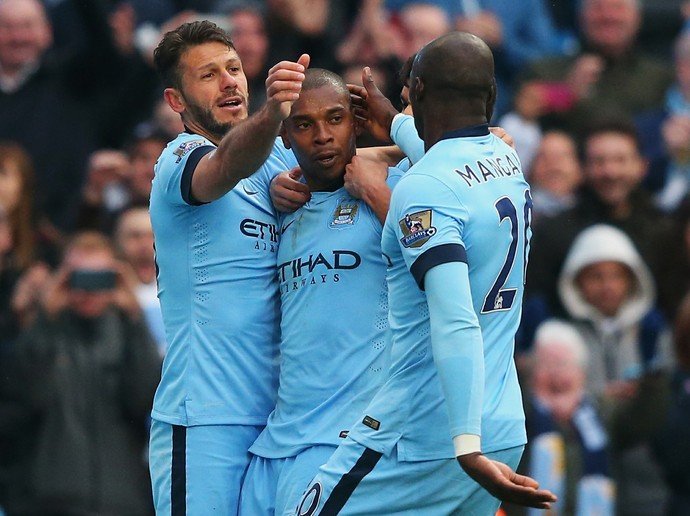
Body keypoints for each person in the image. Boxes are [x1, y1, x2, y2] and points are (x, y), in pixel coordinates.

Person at [292, 32, 556, 514]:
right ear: (492, 96)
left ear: (417, 90)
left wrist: (466, 446)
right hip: (502, 428)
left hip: (425, 434)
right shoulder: (506, 160)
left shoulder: (424, 187)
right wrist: (392, 120)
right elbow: (436, 149)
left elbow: (454, 321)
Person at [147, 19, 308, 514]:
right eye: (209, 75)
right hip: (204, 419)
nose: (229, 82)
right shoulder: (179, 158)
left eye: (233, 69)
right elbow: (225, 168)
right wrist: (273, 113)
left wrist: (456, 143)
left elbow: (347, 161)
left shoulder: (277, 156)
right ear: (178, 101)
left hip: (282, 421)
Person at [239, 68, 401, 516]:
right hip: (273, 444)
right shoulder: (278, 207)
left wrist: (390, 138)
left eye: (335, 119)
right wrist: (274, 188)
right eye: (305, 124)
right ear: (285, 137)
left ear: (356, 122)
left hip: (346, 443)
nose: (323, 136)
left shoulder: (393, 190)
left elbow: (491, 144)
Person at [2, 231, 162, 515]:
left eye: (99, 279)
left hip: (122, 500)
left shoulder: (127, 333)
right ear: (62, 277)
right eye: (78, 278)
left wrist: (134, 315)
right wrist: (45, 316)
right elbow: (32, 398)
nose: (88, 290)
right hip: (49, 501)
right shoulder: (45, 335)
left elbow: (143, 399)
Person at [557, 224, 673, 515]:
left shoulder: (652, 333)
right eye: (595, 276)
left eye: (616, 276)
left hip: (647, 474)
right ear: (577, 281)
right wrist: (602, 397)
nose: (607, 285)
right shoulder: (564, 337)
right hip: (586, 470)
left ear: (632, 280)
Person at [505, 319, 615, 516]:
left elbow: (644, 414)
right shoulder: (518, 413)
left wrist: (652, 378)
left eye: (563, 364)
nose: (556, 374)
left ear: (581, 372)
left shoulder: (599, 413)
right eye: (547, 364)